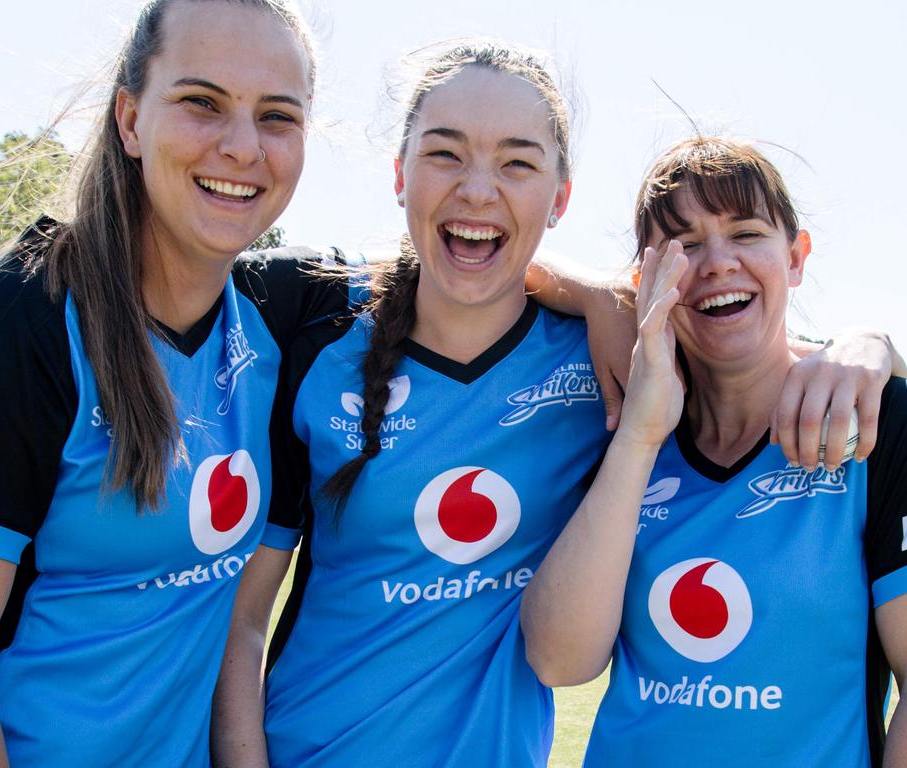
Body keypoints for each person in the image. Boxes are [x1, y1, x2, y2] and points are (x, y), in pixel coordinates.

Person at [213, 44, 900, 767]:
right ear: (399, 173)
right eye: (445, 154)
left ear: (560, 196)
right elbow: (244, 614)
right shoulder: (313, 326)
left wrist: (871, 344)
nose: (478, 190)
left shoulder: (610, 367)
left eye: (517, 162)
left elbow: (739, 338)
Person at [0, 1, 337, 766]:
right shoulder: (10, 324)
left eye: (277, 116)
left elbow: (461, 267)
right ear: (130, 119)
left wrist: (601, 299)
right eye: (202, 102)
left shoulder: (281, 312)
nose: (241, 146)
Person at [520, 137, 907, 767]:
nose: (718, 263)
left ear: (797, 256)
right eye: (687, 244)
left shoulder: (874, 423)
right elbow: (559, 660)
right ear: (645, 281)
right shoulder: (620, 421)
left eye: (746, 233)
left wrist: (872, 341)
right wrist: (641, 434)